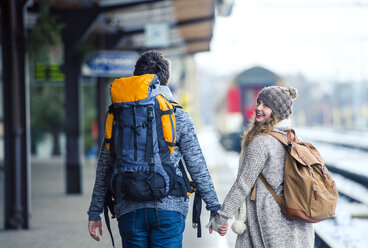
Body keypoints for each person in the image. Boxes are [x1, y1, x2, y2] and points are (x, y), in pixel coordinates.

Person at [87, 50, 222, 248]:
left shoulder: (118, 113)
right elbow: (197, 164)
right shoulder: (177, 114)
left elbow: (105, 165)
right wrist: (215, 208)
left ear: (137, 78)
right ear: (165, 80)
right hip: (169, 208)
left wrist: (94, 211)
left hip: (128, 206)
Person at [207, 86, 314, 247]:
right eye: (258, 102)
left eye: (266, 105)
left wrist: (221, 217)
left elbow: (243, 184)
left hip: (270, 225)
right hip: (296, 225)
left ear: (277, 111)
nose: (258, 108)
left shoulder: (261, 142)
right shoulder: (291, 138)